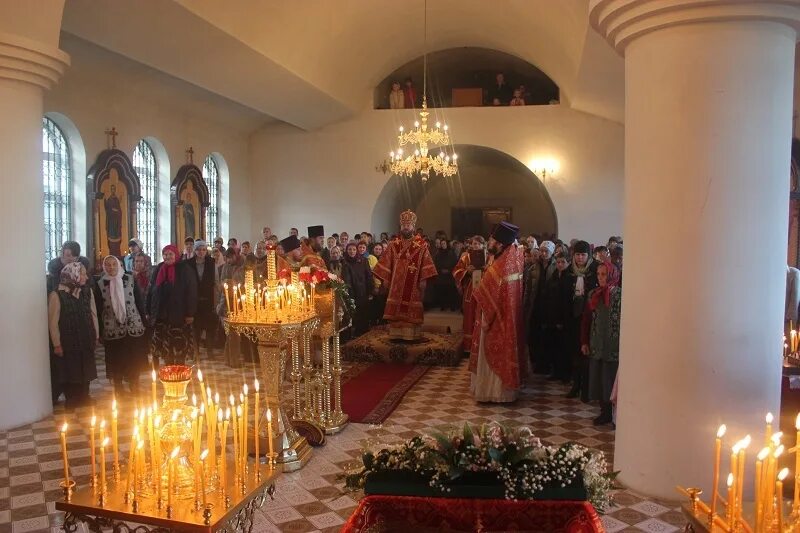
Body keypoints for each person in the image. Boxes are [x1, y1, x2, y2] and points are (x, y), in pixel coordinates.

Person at [469, 222, 525, 402]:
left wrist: (487, 319)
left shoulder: (502, 264)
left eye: (492, 239)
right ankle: (502, 393)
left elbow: (491, 292)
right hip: (507, 316)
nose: (489, 242)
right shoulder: (513, 256)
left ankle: (492, 393)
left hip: (496, 317)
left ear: (500, 243)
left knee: (492, 352)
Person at [373, 210, 437, 340]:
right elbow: (386, 262)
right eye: (404, 224)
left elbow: (427, 264)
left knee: (411, 308)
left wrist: (423, 280)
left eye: (408, 224)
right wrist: (386, 278)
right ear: (400, 226)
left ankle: (411, 333)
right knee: (396, 309)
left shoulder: (421, 245)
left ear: (413, 226)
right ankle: (396, 332)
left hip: (413, 284)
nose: (406, 227)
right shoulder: (393, 244)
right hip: (395, 284)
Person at [94, 255, 147, 396]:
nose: (111, 267)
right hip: (112, 328)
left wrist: (144, 320)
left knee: (133, 357)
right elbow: (98, 309)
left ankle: (134, 383)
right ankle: (118, 387)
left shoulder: (129, 279)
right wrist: (99, 330)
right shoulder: (100, 284)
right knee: (116, 358)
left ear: (119, 265)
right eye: (108, 265)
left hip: (132, 325)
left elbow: (139, 301)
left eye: (114, 264)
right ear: (104, 267)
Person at [48, 262, 98, 409]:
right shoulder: (57, 295)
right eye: (83, 273)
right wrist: (57, 344)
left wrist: (96, 335)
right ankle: (72, 398)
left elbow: (93, 314)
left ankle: (85, 396)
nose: (86, 276)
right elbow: (53, 323)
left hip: (85, 336)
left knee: (86, 367)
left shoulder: (86, 292)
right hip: (68, 340)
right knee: (70, 369)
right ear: (73, 275)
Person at [581, 261, 622, 425]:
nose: (600, 278)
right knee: (598, 379)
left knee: (610, 379)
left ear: (612, 275)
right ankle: (603, 412)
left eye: (604, 274)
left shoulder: (621, 295)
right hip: (597, 342)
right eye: (598, 274)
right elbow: (586, 319)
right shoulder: (594, 294)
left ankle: (614, 414)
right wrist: (584, 341)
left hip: (613, 346)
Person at [147, 244, 198, 366]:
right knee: (165, 346)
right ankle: (169, 368)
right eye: (165, 254)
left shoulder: (185, 269)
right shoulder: (159, 268)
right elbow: (151, 290)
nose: (167, 256)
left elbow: (192, 292)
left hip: (179, 315)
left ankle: (180, 370)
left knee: (179, 344)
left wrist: (190, 313)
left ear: (176, 255)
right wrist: (148, 310)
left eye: (170, 254)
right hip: (162, 314)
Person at [566, 240, 597, 401]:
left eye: (583, 255)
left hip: (589, 319)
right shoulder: (569, 271)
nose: (579, 258)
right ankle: (576, 385)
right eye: (577, 255)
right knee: (575, 354)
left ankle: (587, 389)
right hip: (573, 318)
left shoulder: (595, 270)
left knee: (587, 355)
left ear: (588, 256)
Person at [541, 254, 573, 382]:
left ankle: (564, 374)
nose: (560, 264)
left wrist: (561, 320)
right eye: (558, 262)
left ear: (568, 263)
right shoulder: (553, 276)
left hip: (563, 319)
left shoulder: (569, 277)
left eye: (563, 262)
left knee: (563, 348)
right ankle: (555, 372)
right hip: (551, 318)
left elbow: (566, 301)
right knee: (553, 346)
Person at [453, 236, 486, 352]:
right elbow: (456, 271)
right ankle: (469, 347)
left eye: (478, 244)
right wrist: (467, 271)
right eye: (474, 244)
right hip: (470, 290)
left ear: (483, 245)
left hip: (485, 289)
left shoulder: (489, 257)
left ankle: (482, 346)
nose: (476, 246)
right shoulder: (465, 257)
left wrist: (486, 269)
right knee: (470, 314)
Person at [187, 240, 218, 359]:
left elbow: (215, 281)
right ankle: (195, 351)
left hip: (208, 298)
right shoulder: (189, 263)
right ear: (195, 250)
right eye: (199, 249)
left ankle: (210, 351)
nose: (201, 252)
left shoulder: (211, 262)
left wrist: (215, 301)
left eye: (204, 250)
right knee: (196, 328)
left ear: (206, 251)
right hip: (194, 300)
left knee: (210, 326)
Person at [218, 248, 244, 367]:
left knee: (234, 335)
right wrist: (226, 284)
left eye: (230, 258)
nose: (228, 260)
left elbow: (243, 283)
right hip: (226, 304)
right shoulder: (225, 267)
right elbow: (222, 283)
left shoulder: (242, 266)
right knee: (231, 334)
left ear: (235, 256)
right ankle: (231, 360)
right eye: (226, 258)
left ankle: (231, 359)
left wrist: (234, 284)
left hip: (239, 303)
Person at [343, 241, 373, 337]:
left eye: (354, 249)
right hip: (352, 292)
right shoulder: (345, 262)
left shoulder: (363, 261)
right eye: (350, 249)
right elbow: (346, 279)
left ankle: (363, 333)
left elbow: (369, 276)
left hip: (363, 291)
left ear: (357, 251)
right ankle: (354, 334)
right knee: (354, 314)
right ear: (346, 251)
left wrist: (370, 291)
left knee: (363, 313)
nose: (352, 251)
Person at [523, 245, 544, 371]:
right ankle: (533, 361)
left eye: (537, 255)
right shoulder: (531, 270)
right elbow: (527, 290)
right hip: (532, 304)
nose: (535, 257)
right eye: (533, 255)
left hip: (541, 305)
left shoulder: (546, 268)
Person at [433, 239, 459, 311]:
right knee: (442, 291)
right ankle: (443, 305)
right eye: (442, 244)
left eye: (444, 243)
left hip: (450, 276)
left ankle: (452, 306)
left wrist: (449, 270)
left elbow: (455, 263)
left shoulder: (452, 253)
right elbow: (436, 264)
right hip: (441, 275)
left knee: (451, 291)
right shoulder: (438, 253)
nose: (443, 245)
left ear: (447, 244)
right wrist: (441, 270)